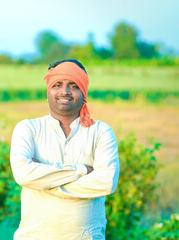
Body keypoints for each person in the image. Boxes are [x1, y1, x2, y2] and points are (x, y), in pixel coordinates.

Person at [10, 59, 120, 239]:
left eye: (73, 85)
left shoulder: (101, 132)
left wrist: (46, 184)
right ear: (48, 92)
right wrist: (82, 170)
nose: (64, 91)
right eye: (57, 84)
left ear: (84, 93)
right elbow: (23, 174)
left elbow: (106, 182)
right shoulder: (28, 129)